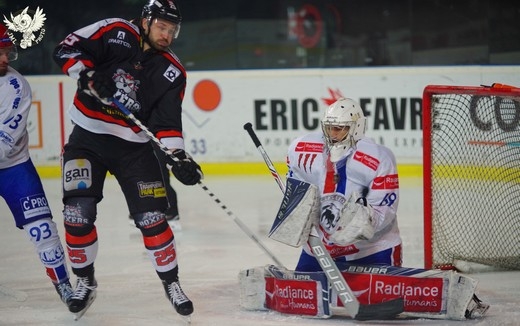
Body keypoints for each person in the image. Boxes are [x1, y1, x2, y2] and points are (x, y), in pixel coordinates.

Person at [52, 0, 202, 319]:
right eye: (162, 27)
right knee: (77, 213)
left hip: (134, 149)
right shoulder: (115, 31)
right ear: (146, 21)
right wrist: (88, 74)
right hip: (87, 140)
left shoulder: (171, 70)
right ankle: (85, 282)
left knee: (152, 219)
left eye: (173, 30)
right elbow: (66, 49)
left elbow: (166, 124)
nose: (168, 35)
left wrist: (179, 157)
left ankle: (172, 283)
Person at [0, 23, 73, 306]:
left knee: (42, 228)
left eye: (7, 52)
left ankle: (64, 284)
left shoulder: (16, 87)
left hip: (13, 168)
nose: (5, 59)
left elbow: (4, 143)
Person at [286, 97, 402, 272]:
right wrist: (297, 207)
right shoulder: (301, 149)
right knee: (301, 296)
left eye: (339, 129)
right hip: (319, 249)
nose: (332, 134)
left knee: (380, 300)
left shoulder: (378, 158)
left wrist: (364, 223)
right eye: (329, 128)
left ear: (356, 128)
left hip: (372, 250)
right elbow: (297, 190)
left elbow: (385, 208)